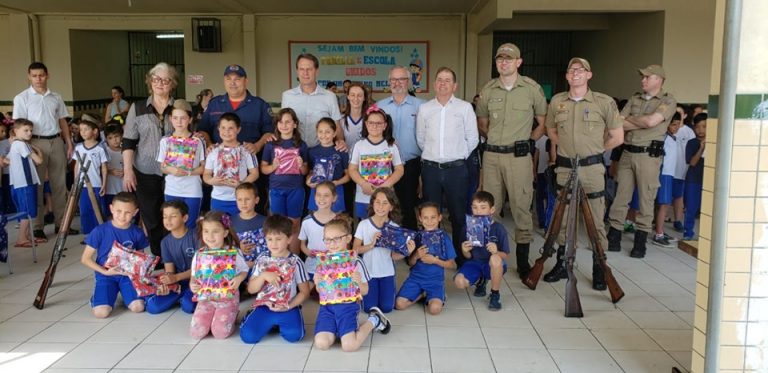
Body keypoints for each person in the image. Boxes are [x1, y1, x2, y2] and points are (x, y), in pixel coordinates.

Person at [542, 58, 624, 289]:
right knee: (563, 218)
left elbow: (617, 137)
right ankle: (562, 263)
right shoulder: (558, 101)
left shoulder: (603, 102)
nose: (575, 73)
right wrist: (568, 150)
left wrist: (594, 152)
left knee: (595, 220)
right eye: (571, 70)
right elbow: (551, 130)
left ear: (589, 75)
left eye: (580, 70)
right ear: (567, 76)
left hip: (591, 170)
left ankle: (599, 267)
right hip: (565, 168)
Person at [475, 44, 547, 278]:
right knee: (488, 209)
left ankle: (523, 262)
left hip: (518, 157)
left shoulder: (531, 89)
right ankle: (488, 257)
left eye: (509, 59)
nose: (503, 63)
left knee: (521, 207)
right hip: (493, 156)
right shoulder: (488, 90)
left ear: (519, 62)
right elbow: (482, 124)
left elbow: (542, 122)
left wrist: (529, 141)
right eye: (500, 59)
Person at [607, 65, 677, 258]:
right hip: (628, 153)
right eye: (643, 77)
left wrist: (633, 121)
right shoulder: (634, 98)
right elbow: (618, 121)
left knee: (646, 198)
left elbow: (651, 122)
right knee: (621, 196)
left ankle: (640, 242)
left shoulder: (667, 101)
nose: (643, 80)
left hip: (649, 155)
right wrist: (641, 121)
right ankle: (613, 237)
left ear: (660, 80)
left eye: (648, 77)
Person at [417, 67, 479, 263]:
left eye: (447, 80)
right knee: (430, 216)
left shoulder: (464, 108)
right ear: (435, 84)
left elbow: (473, 138)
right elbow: (421, 139)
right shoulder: (425, 109)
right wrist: (436, 156)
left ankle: (461, 259)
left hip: (457, 170)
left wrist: (457, 155)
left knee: (458, 216)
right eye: (440, 80)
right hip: (431, 170)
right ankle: (433, 258)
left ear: (455, 85)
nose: (443, 83)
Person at [197, 65, 273, 215]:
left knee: (249, 215)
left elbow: (269, 132)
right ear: (224, 81)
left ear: (246, 81)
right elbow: (203, 129)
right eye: (228, 79)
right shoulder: (215, 103)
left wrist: (257, 146)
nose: (233, 83)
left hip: (250, 168)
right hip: (219, 173)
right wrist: (210, 145)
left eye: (237, 79)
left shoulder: (259, 105)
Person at [13, 62, 75, 240]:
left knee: (60, 184)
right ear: (29, 76)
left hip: (56, 141)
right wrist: (27, 147)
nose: (38, 79)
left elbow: (62, 120)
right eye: (34, 75)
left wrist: (68, 142)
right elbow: (18, 126)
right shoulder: (22, 98)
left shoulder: (55, 96)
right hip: (35, 143)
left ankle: (61, 225)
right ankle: (38, 226)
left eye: (41, 75)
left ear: (48, 75)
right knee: (38, 185)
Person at [122, 62, 178, 255]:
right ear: (149, 82)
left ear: (173, 83)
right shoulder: (137, 108)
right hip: (145, 171)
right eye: (156, 79)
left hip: (175, 172)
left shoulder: (179, 107)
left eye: (165, 80)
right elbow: (128, 142)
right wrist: (128, 171)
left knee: (174, 215)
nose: (160, 84)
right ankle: (159, 257)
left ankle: (174, 256)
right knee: (152, 218)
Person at [313, 215, 391, 352]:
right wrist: (317, 283)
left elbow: (366, 290)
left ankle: (374, 320)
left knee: (349, 346)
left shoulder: (355, 261)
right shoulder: (323, 262)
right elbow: (321, 291)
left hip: (348, 307)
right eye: (327, 240)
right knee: (321, 343)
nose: (332, 243)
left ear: (348, 238)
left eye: (337, 239)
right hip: (327, 308)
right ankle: (338, 330)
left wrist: (358, 282)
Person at [240, 214, 311, 344]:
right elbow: (251, 289)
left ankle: (275, 324)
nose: (273, 243)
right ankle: (259, 318)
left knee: (295, 336)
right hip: (264, 306)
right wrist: (263, 275)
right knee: (248, 337)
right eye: (270, 239)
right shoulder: (261, 259)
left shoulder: (296, 262)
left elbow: (305, 292)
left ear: (289, 239)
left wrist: (289, 306)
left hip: (287, 306)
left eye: (278, 239)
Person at [80, 192, 149, 318]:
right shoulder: (99, 231)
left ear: (135, 212)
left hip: (127, 276)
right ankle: (97, 298)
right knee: (101, 313)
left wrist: (142, 275)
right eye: (118, 211)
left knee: (138, 307)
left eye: (128, 212)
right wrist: (105, 272)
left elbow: (140, 258)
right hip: (105, 275)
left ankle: (124, 294)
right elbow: (85, 259)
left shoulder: (137, 233)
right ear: (111, 208)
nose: (122, 216)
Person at [378, 66, 426, 230]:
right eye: (393, 79)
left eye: (401, 79)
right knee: (384, 208)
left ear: (408, 82)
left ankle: (410, 250)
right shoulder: (379, 107)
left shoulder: (422, 106)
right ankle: (388, 250)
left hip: (411, 165)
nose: (397, 83)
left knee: (407, 208)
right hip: (383, 166)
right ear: (389, 82)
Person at [189, 211, 249, 339]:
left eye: (215, 231)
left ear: (225, 232)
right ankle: (214, 316)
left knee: (220, 333)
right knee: (196, 333)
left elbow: (244, 270)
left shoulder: (233, 252)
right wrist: (192, 283)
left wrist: (239, 278)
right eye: (206, 231)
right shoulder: (199, 254)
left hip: (228, 299)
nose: (210, 236)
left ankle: (232, 314)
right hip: (206, 300)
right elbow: (194, 275)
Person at [353, 187, 412, 313]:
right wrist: (371, 245)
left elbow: (393, 256)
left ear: (391, 207)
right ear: (372, 204)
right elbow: (354, 250)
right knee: (369, 308)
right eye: (377, 202)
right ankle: (357, 293)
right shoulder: (363, 224)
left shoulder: (394, 228)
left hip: (387, 273)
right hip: (368, 273)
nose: (380, 206)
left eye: (385, 203)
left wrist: (407, 251)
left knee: (387, 308)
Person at [260, 108, 310, 254]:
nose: (284, 125)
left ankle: (293, 259)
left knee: (294, 225)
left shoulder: (301, 145)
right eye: (281, 122)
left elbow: (306, 171)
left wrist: (301, 166)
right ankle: (278, 257)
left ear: (295, 124)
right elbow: (263, 169)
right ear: (276, 125)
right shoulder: (271, 145)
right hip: (276, 190)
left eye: (288, 121)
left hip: (296, 189)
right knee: (277, 225)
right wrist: (273, 166)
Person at [394, 201, 456, 315]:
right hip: (415, 279)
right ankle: (422, 295)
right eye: (426, 218)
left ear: (439, 218)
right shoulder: (416, 237)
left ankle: (436, 295)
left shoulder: (444, 238)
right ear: (420, 219)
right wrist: (417, 255)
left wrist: (435, 261)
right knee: (399, 304)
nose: (429, 221)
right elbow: (411, 263)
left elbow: (452, 264)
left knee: (434, 310)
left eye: (433, 217)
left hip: (435, 281)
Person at [454, 191, 511, 310]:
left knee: (495, 259)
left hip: (493, 265)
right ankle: (481, 280)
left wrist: (496, 252)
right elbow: (467, 257)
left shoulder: (499, 229)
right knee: (459, 282)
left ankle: (495, 294)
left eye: (483, 208)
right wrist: (464, 250)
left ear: (492, 210)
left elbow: (506, 255)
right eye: (475, 208)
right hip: (474, 263)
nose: (478, 211)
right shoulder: (467, 228)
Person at [348, 106, 404, 219]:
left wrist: (386, 185)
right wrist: (363, 184)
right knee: (365, 226)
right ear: (366, 124)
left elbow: (399, 169)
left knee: (384, 226)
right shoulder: (359, 145)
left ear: (385, 125)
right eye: (371, 122)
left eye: (379, 123)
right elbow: (352, 169)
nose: (374, 126)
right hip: (363, 196)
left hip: (385, 197)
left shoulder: (392, 146)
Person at [157, 99, 206, 227]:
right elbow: (162, 167)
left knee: (190, 225)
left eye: (183, 118)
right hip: (172, 189)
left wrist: (189, 172)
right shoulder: (165, 141)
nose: (179, 122)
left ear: (190, 119)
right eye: (175, 118)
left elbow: (203, 168)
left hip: (192, 190)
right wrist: (171, 170)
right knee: (173, 224)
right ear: (170, 119)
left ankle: (190, 248)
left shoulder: (197, 141)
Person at [281, 53, 343, 148]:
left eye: (309, 69)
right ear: (297, 71)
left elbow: (336, 125)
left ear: (316, 71)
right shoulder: (287, 96)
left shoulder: (330, 96)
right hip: (294, 151)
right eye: (301, 69)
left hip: (321, 152)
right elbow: (282, 124)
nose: (305, 73)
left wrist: (341, 141)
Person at [203, 113, 259, 217]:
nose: (226, 132)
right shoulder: (213, 151)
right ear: (218, 129)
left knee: (238, 230)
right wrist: (211, 181)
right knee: (218, 228)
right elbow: (206, 174)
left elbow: (254, 173)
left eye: (231, 128)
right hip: (218, 199)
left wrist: (241, 184)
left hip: (240, 200)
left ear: (238, 129)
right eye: (223, 128)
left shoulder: (246, 150)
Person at [145, 201, 197, 314]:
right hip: (179, 282)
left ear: (185, 218)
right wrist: (166, 283)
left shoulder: (196, 236)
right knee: (153, 307)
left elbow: (201, 269)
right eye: (165, 217)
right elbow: (169, 271)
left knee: (188, 307)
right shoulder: (165, 242)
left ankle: (184, 297)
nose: (168, 220)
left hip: (197, 280)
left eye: (173, 216)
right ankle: (181, 296)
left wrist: (176, 277)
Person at [7, 119, 43, 247]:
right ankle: (22, 238)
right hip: (24, 183)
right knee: (27, 210)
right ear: (16, 131)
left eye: (31, 131)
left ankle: (27, 236)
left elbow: (7, 161)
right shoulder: (21, 145)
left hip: (19, 183)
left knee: (25, 209)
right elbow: (39, 160)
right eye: (26, 130)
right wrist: (37, 149)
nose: (29, 133)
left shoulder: (16, 144)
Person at [72, 118, 108, 236]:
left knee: (97, 210)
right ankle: (88, 235)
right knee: (84, 210)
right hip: (82, 185)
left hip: (96, 184)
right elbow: (76, 166)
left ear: (95, 131)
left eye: (86, 129)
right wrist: (75, 182)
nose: (82, 132)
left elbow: (104, 168)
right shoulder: (78, 147)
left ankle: (99, 234)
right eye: (80, 129)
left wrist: (104, 184)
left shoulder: (100, 148)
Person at [306, 118, 350, 213]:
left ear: (334, 133)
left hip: (336, 190)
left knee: (336, 221)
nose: (324, 135)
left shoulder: (341, 151)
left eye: (327, 132)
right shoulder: (312, 152)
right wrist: (308, 182)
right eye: (320, 132)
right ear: (316, 133)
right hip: (317, 192)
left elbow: (348, 176)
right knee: (316, 220)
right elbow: (309, 174)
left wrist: (336, 183)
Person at [299, 181, 339, 283]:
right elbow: (302, 244)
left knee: (327, 295)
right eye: (319, 195)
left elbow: (345, 247)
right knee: (307, 293)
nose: (322, 199)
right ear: (314, 197)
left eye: (326, 195)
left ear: (334, 198)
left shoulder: (339, 221)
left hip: (332, 268)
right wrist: (308, 252)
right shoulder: (307, 221)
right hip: (311, 267)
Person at [652, 112, 682, 247]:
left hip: (669, 174)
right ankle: (658, 235)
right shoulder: (663, 138)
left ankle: (660, 230)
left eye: (678, 124)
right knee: (663, 204)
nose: (676, 127)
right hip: (663, 173)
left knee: (663, 204)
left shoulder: (672, 138)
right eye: (673, 124)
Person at [231, 182, 267, 269]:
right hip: (238, 268)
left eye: (247, 199)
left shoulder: (266, 221)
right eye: (239, 199)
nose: (243, 203)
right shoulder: (230, 222)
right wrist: (238, 248)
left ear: (256, 200)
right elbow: (226, 245)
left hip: (261, 267)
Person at [684, 114, 707, 240]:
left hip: (708, 181)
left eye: (704, 127)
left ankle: (705, 235)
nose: (701, 130)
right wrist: (702, 148)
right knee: (691, 208)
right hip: (693, 180)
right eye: (697, 127)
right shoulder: (692, 143)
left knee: (706, 210)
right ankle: (688, 233)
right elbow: (692, 162)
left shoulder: (716, 142)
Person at [672, 104, 694, 232]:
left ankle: (678, 220)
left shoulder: (688, 131)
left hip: (681, 169)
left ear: (685, 115)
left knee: (678, 196)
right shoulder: (667, 129)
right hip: (669, 169)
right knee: (663, 198)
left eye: (679, 113)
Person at [102, 122, 124, 209]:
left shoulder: (127, 152)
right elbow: (98, 169)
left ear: (122, 136)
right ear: (106, 139)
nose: (114, 140)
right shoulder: (104, 152)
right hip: (109, 190)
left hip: (124, 189)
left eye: (116, 136)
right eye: (110, 138)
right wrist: (110, 171)